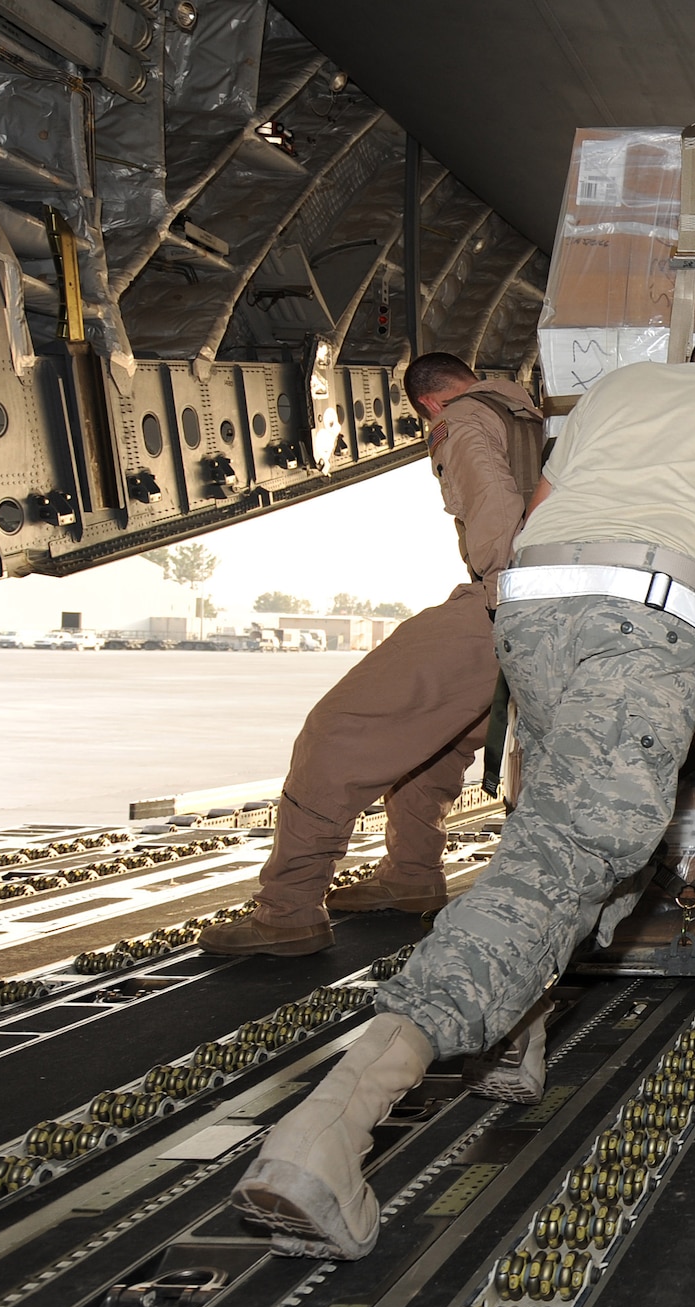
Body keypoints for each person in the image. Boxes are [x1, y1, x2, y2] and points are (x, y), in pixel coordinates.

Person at [230, 327, 695, 1259]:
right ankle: (334, 1126)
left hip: (537, 617)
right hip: (646, 621)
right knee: (567, 857)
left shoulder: (619, 393)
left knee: (584, 841)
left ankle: (515, 1024)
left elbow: (540, 507)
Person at [199, 353, 541, 959]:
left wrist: (501, 590)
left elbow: (491, 507)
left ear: (427, 404)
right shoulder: (527, 414)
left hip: (509, 603)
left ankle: (288, 912)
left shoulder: (459, 420)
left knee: (338, 733)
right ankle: (412, 874)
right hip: (546, 609)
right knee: (430, 746)